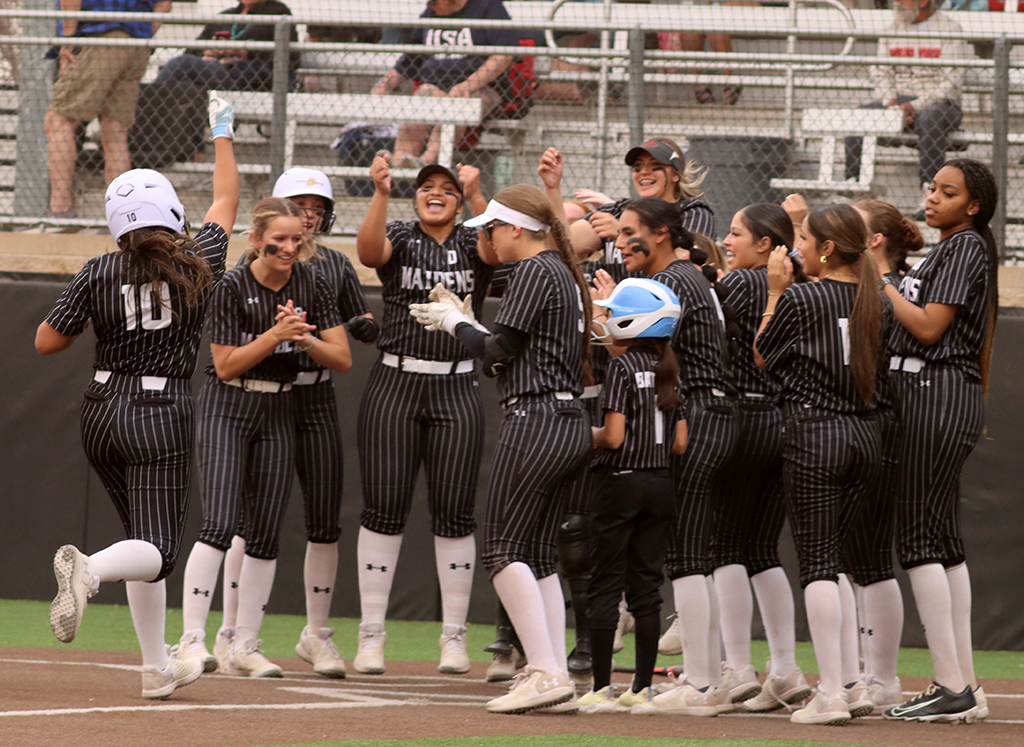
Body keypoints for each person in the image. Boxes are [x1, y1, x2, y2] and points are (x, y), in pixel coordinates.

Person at [37, 95, 239, 698]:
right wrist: (221, 129)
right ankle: (90, 572)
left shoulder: (98, 269)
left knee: (139, 537)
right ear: (170, 210)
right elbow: (226, 199)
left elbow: (47, 341)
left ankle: (156, 670)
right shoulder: (198, 259)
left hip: (101, 410)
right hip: (159, 413)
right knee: (155, 549)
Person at [176, 168, 376, 679]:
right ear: (256, 240)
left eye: (295, 239)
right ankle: (192, 640)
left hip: (281, 408)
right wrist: (276, 334)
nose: (287, 249)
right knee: (221, 524)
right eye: (277, 242)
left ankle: (246, 644)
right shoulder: (230, 285)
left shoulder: (313, 279)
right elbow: (225, 365)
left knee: (265, 534)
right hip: (229, 406)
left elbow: (342, 358)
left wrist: (304, 339)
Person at [409, 184, 593, 714]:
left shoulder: (536, 270)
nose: (487, 239)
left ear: (515, 228)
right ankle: (552, 669)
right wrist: (473, 327)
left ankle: (545, 671)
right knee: (536, 556)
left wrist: (456, 323)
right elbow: (510, 352)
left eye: (491, 229)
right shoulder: (560, 271)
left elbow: (494, 355)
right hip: (567, 420)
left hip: (536, 419)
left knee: (502, 550)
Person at [353, 156, 497, 675]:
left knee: (455, 511)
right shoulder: (399, 231)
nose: (436, 194)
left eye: (447, 189)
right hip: (396, 379)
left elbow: (497, 253)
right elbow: (369, 254)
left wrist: (479, 194)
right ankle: (371, 635)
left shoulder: (470, 238)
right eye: (427, 188)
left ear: (460, 201)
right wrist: (379, 191)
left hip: (456, 383)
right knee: (384, 508)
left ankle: (453, 637)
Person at [590, 198, 732, 716]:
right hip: (710, 412)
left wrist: (605, 315)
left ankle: (700, 682)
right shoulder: (689, 274)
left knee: (688, 557)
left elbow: (636, 357)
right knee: (706, 555)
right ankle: (718, 673)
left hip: (698, 417)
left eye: (633, 231)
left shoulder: (671, 281)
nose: (624, 241)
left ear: (666, 233)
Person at [754, 204, 888, 725]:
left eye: (805, 238)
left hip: (816, 432)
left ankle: (830, 692)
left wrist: (772, 292)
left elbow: (764, 353)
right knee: (838, 565)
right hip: (864, 434)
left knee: (817, 566)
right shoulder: (873, 296)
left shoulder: (804, 295)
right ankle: (852, 684)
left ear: (828, 248)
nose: (798, 246)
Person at [880, 158, 998, 723]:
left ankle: (950, 684)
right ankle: (967, 686)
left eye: (947, 193)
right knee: (943, 541)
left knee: (922, 538)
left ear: (972, 206)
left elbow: (928, 326)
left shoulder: (966, 246)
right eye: (931, 188)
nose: (933, 198)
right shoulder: (953, 247)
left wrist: (880, 283)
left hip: (936, 389)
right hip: (940, 390)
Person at [710, 203, 813, 714]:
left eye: (736, 233)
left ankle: (737, 669)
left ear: (766, 245)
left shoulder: (745, 284)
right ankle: (786, 669)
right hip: (784, 420)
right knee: (762, 550)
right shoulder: (798, 286)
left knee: (724, 546)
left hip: (742, 420)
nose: (728, 241)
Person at [577, 278, 688, 714]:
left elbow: (614, 435)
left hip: (620, 482)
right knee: (646, 587)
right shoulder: (671, 368)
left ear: (632, 320)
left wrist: (582, 433)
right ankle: (642, 688)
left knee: (605, 583)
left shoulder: (621, 369)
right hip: (661, 483)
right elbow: (679, 444)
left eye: (612, 313)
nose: (605, 320)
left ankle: (601, 687)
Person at [842, 197, 925, 714]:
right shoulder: (874, 288)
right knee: (857, 559)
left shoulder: (891, 290)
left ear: (874, 241)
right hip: (868, 427)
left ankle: (883, 677)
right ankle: (865, 673)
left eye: (856, 226)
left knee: (870, 558)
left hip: (886, 428)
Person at [44, 0, 171, 218]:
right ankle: (122, 215)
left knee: (59, 119)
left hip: (99, 35)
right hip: (137, 42)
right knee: (115, 131)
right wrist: (143, 33)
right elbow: (164, 4)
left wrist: (67, 41)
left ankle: (59, 209)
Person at [371, 0, 521, 167]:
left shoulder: (488, 7)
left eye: (434, 2)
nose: (429, 6)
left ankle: (425, 162)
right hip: (436, 86)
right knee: (423, 94)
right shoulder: (431, 14)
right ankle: (399, 161)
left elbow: (505, 54)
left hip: (479, 88)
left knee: (456, 106)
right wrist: (384, 84)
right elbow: (410, 60)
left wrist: (468, 85)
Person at [845, 0, 967, 193]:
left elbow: (951, 82)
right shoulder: (890, 30)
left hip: (939, 104)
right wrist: (890, 102)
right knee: (860, 115)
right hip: (897, 101)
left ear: (923, 2)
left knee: (930, 118)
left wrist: (916, 105)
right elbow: (880, 73)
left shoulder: (950, 29)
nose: (896, 3)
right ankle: (852, 184)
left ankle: (930, 188)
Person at [565, 138, 716, 264]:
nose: (644, 172)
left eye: (655, 165)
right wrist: (552, 188)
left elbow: (689, 262)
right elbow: (565, 245)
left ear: (676, 174)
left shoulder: (693, 212)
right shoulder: (618, 210)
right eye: (638, 166)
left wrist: (622, 233)